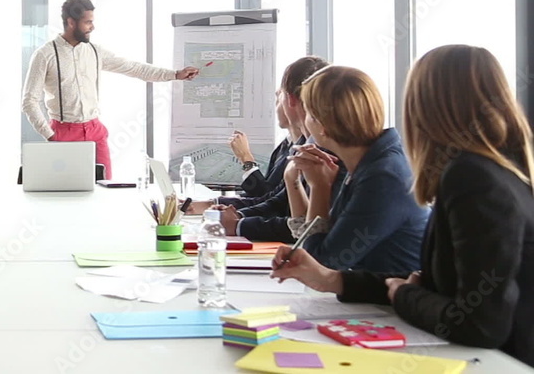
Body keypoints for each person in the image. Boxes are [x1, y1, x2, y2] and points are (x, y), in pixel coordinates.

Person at [272, 45, 534, 367]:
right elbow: (435, 284)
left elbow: (480, 323)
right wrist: (331, 279)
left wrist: (405, 296)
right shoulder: (494, 171)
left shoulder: (471, 178)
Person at [22, 0, 199, 179]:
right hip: (62, 133)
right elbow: (29, 101)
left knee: (105, 187)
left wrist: (175, 74)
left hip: (95, 131)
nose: (92, 27)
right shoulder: (45, 55)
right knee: (69, 189)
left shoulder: (95, 52)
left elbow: (134, 68)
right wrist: (50, 135)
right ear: (71, 22)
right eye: (88, 22)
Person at [283, 65, 428, 272]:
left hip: (387, 292)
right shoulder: (369, 162)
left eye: (308, 112)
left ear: (322, 126)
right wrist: (299, 182)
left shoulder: (383, 178)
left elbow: (321, 264)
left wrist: (320, 188)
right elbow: (323, 238)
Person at [185, 56, 328, 244]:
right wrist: (231, 214)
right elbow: (275, 200)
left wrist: (246, 159)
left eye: (279, 96)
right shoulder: (291, 146)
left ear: (290, 99)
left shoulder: (323, 153)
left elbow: (303, 225)